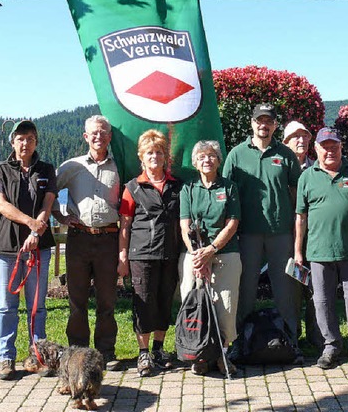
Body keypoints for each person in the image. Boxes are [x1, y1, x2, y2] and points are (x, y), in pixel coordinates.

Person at [294, 127, 348, 374]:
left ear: (341, 147)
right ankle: (331, 346)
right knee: (322, 302)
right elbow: (300, 217)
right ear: (317, 149)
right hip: (318, 253)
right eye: (325, 146)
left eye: (334, 145)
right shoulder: (307, 176)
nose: (330, 150)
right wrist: (298, 252)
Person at [222, 103, 302, 363]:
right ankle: (238, 342)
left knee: (285, 288)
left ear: (275, 125)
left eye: (268, 121)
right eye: (259, 121)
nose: (263, 125)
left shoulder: (286, 155)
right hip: (247, 233)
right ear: (252, 123)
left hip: (281, 233)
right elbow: (226, 193)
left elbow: (296, 193)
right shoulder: (236, 154)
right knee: (244, 288)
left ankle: (291, 341)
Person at [52, 115, 121, 371]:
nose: (98, 136)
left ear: (110, 136)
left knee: (107, 301)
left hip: (109, 240)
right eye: (93, 133)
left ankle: (106, 352)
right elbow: (49, 191)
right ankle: (77, 353)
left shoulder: (119, 166)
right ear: (85, 136)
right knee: (77, 301)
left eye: (103, 132)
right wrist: (58, 215)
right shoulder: (72, 165)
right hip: (79, 239)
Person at [0, 120, 56, 380]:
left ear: (36, 142)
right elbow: (1, 205)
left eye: (30, 138)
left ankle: (38, 356)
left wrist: (37, 233)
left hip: (39, 248)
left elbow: (48, 204)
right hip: (7, 248)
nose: (25, 143)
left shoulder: (46, 169)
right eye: (20, 138)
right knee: (7, 305)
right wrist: (31, 224)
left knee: (37, 307)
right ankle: (7, 358)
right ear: (12, 142)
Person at [118, 130, 181, 377]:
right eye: (149, 153)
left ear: (165, 157)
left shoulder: (177, 186)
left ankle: (158, 349)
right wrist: (122, 257)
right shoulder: (132, 188)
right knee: (144, 302)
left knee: (165, 301)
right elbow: (125, 225)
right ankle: (143, 353)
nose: (154, 157)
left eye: (159, 152)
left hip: (170, 253)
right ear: (141, 158)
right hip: (141, 254)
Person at [179, 140, 242, 376]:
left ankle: (222, 355)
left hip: (225, 253)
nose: (207, 160)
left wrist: (212, 250)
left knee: (225, 305)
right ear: (195, 162)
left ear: (218, 160)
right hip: (194, 255)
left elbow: (232, 223)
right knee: (193, 304)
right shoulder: (189, 188)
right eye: (202, 157)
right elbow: (184, 225)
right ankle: (199, 355)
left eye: (212, 156)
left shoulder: (229, 187)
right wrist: (198, 256)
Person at [283, 120, 323, 350]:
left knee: (317, 287)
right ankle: (292, 336)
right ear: (286, 142)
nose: (301, 140)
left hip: (316, 237)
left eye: (305, 136)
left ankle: (317, 336)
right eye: (295, 137)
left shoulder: (319, 167)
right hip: (287, 237)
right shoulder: (279, 168)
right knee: (292, 288)